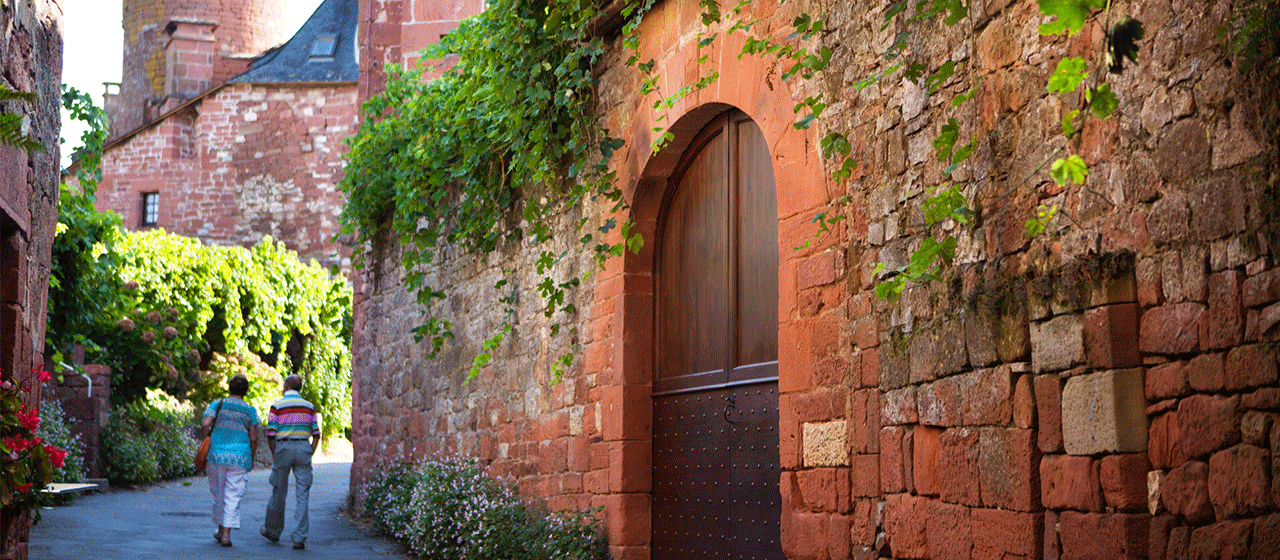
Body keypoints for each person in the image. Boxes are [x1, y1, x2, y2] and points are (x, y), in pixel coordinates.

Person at [259, 374, 321, 550]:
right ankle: (299, 538)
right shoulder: (309, 407)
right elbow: (316, 434)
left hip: (283, 448)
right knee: (303, 495)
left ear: (286, 386)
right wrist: (310, 451)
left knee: (279, 491)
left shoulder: (276, 406)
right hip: (303, 449)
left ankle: (272, 530)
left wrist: (275, 453)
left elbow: (271, 434)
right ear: (299, 388)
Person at [201, 373, 259, 547]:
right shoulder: (250, 410)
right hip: (240, 457)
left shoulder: (218, 404)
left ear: (229, 387)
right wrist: (252, 456)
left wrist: (207, 441)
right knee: (232, 494)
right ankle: (224, 534)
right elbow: (254, 438)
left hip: (217, 454)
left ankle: (221, 531)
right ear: (246, 391)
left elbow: (205, 424)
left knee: (219, 493)